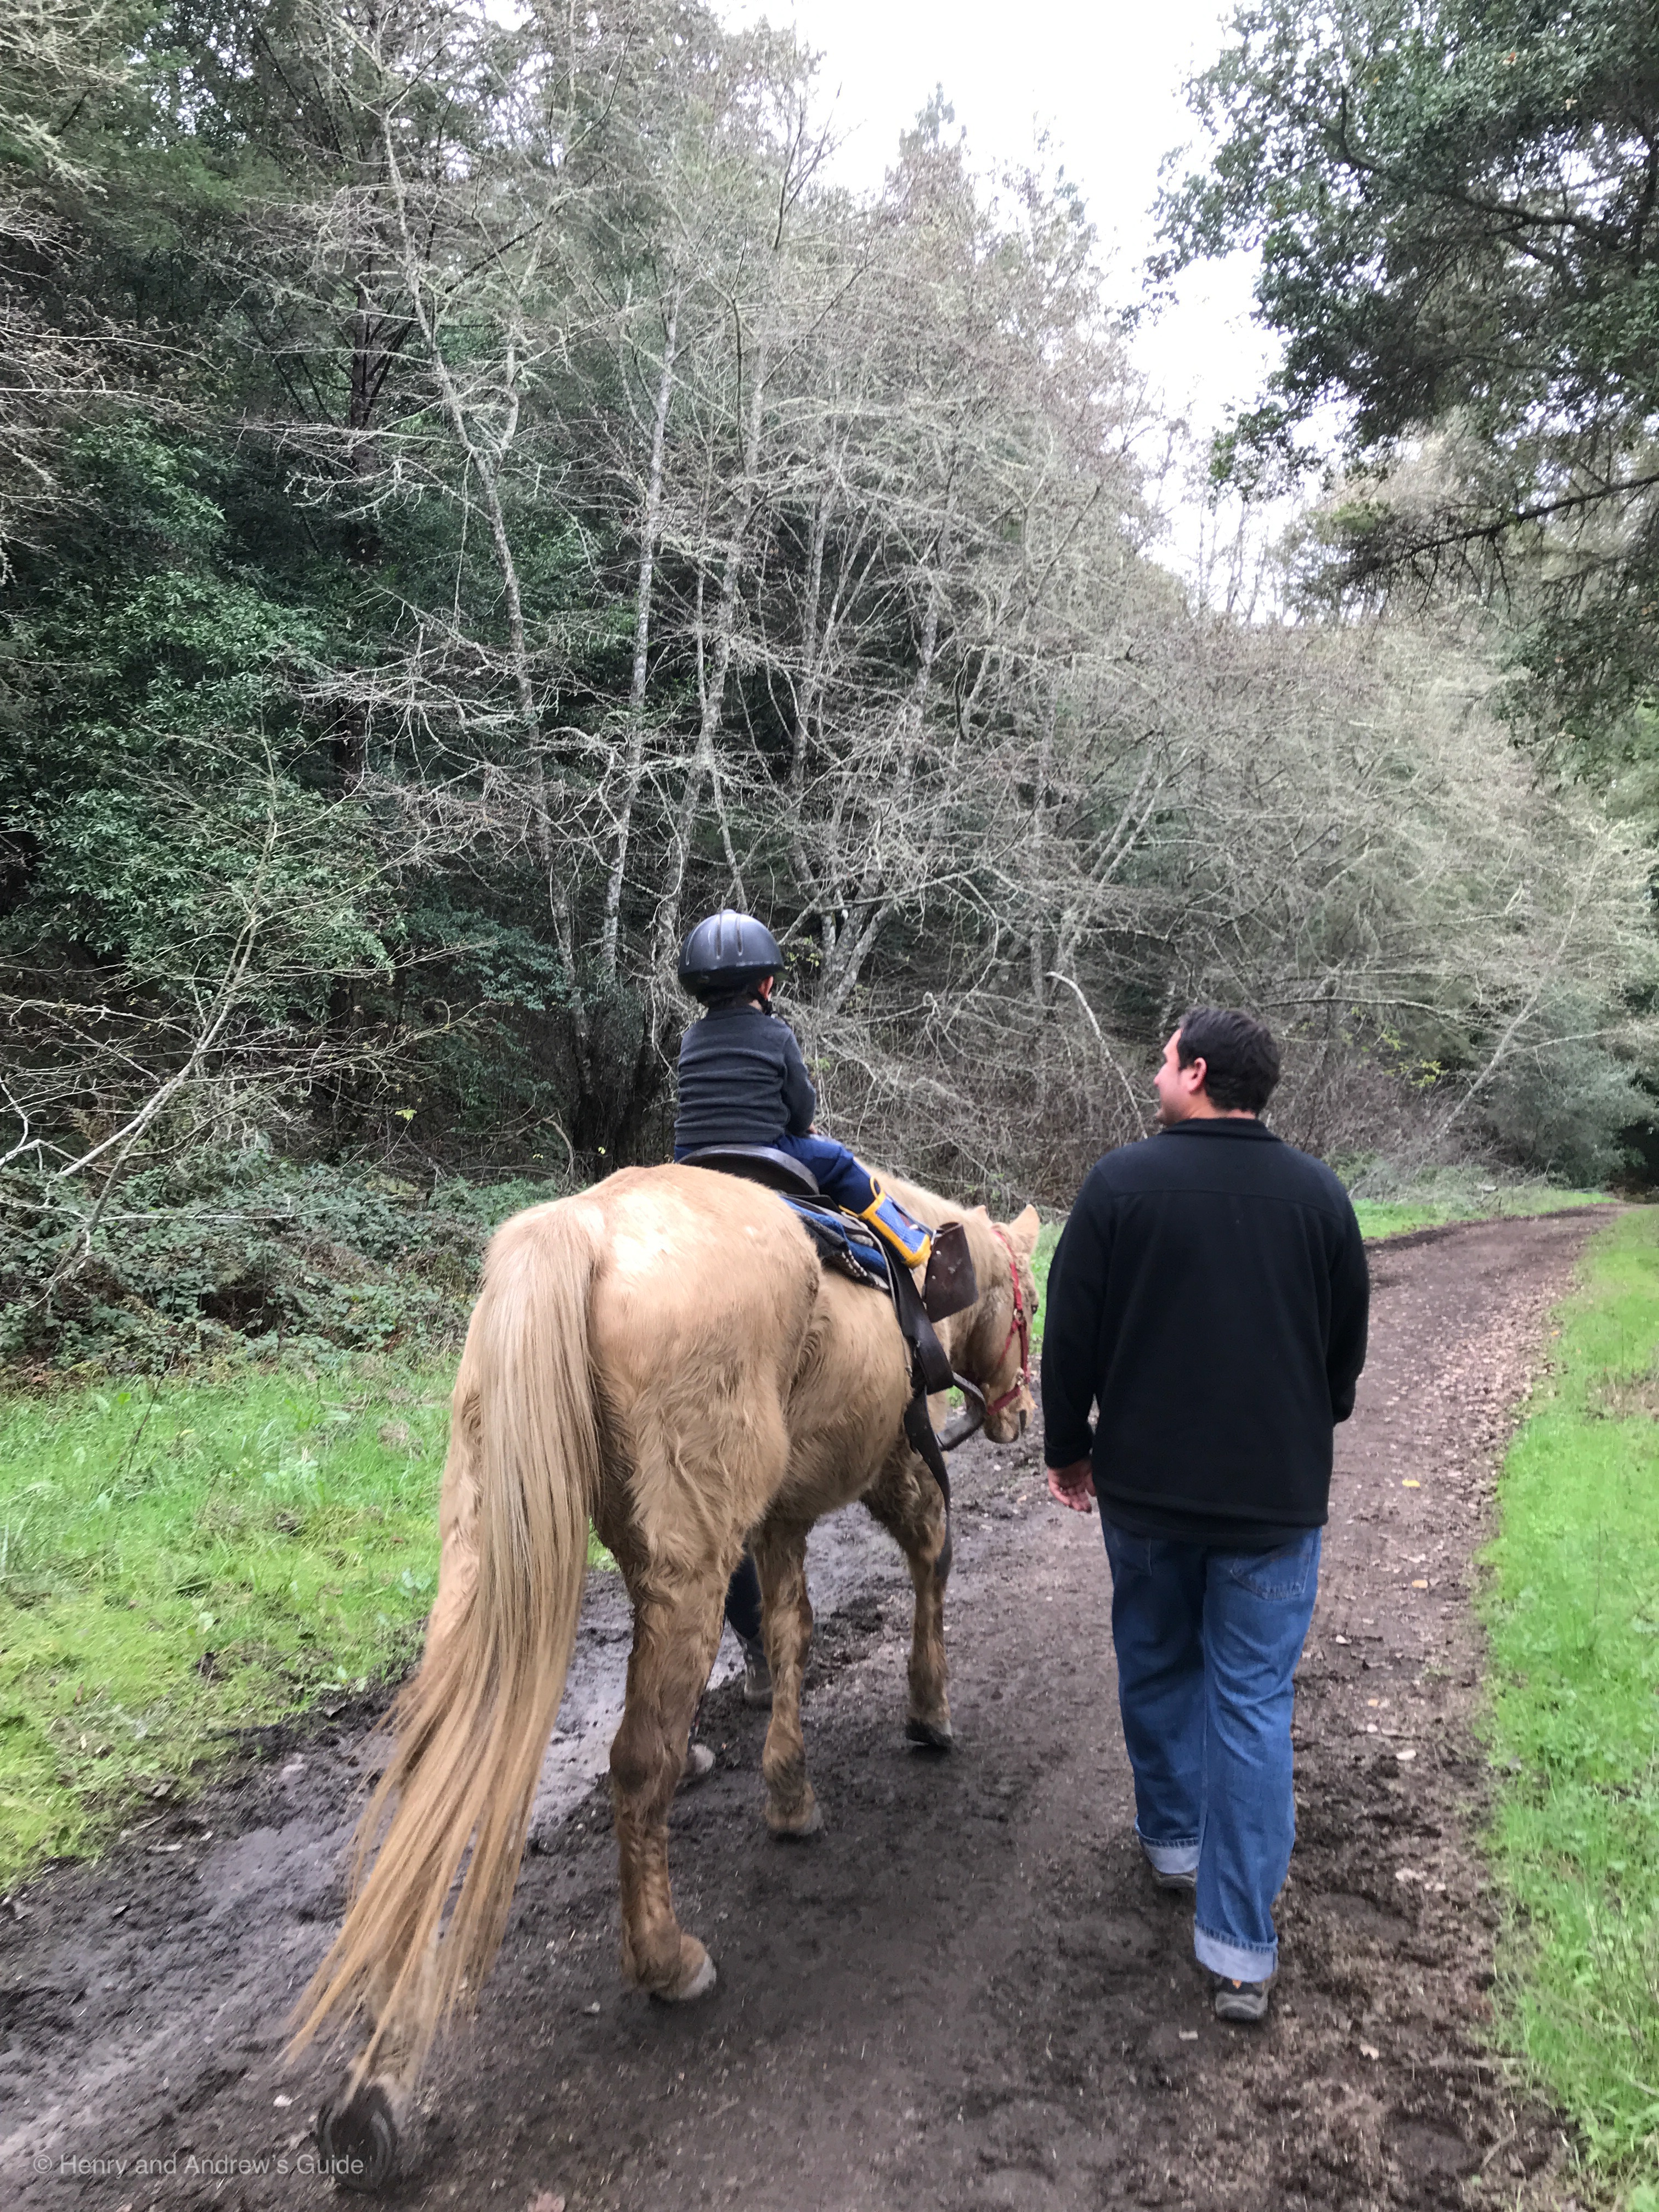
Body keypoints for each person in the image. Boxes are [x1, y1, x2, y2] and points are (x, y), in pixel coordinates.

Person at [1041, 1007, 1369, 2024]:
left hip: (1142, 1495)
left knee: (1154, 1662)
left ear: (1193, 1071)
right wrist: (1299, 1425)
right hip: (1273, 1502)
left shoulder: (1117, 1186)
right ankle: (1237, 1947)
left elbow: (1070, 1334)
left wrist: (1066, 1445)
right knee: (1251, 1702)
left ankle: (1172, 1842)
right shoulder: (1319, 1196)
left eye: (1162, 1057)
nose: (1152, 1071)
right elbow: (1340, 1358)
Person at [673, 909, 932, 1268]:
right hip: (762, 1151)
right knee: (840, 1161)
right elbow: (802, 1109)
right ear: (766, 985)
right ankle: (911, 1245)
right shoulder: (777, 1034)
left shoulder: (690, 1039)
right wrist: (801, 1127)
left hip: (691, 1156)